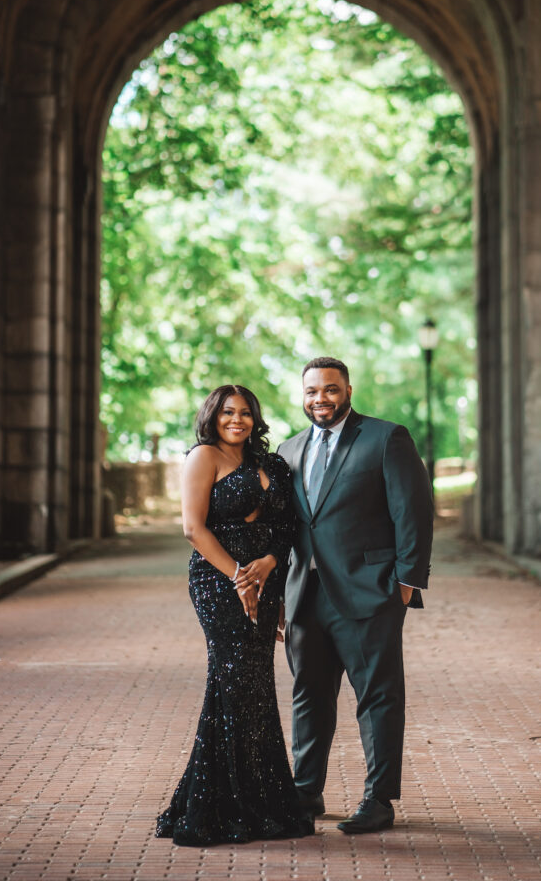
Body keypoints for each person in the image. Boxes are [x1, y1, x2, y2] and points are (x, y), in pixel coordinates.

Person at [278, 357, 434, 835]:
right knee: (309, 697)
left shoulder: (386, 438)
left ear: (348, 389)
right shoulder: (288, 450)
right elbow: (285, 528)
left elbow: (414, 510)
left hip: (371, 593)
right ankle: (306, 794)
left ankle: (378, 800)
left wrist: (407, 584)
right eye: (311, 392)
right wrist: (277, 600)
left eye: (329, 389)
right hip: (305, 596)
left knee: (379, 697)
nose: (320, 399)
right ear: (302, 396)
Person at [156, 385, 314, 847]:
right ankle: (226, 806)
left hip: (265, 580)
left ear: (255, 419)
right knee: (235, 678)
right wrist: (238, 577)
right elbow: (193, 528)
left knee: (252, 686)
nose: (237, 420)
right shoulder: (203, 457)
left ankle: (245, 800)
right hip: (217, 580)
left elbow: (287, 525)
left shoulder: (271, 464)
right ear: (213, 415)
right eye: (228, 412)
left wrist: (269, 563)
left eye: (245, 413)